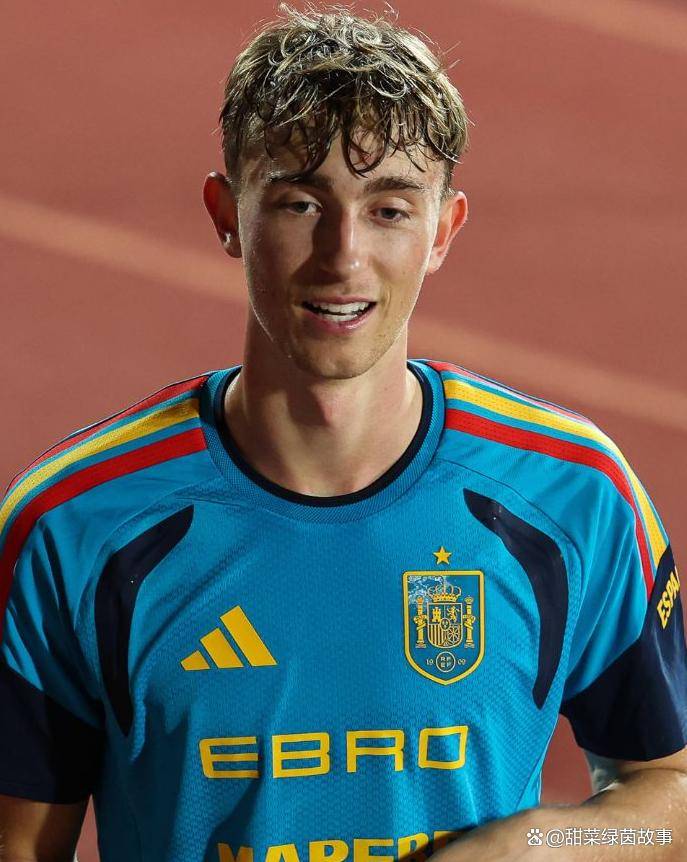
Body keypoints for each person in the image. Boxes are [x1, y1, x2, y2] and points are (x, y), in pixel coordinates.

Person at [1, 4, 686, 861]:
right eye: (299, 202)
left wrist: (538, 847)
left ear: (442, 231)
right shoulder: (75, 528)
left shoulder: (572, 494)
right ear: (226, 213)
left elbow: (671, 803)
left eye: (389, 209)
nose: (342, 257)